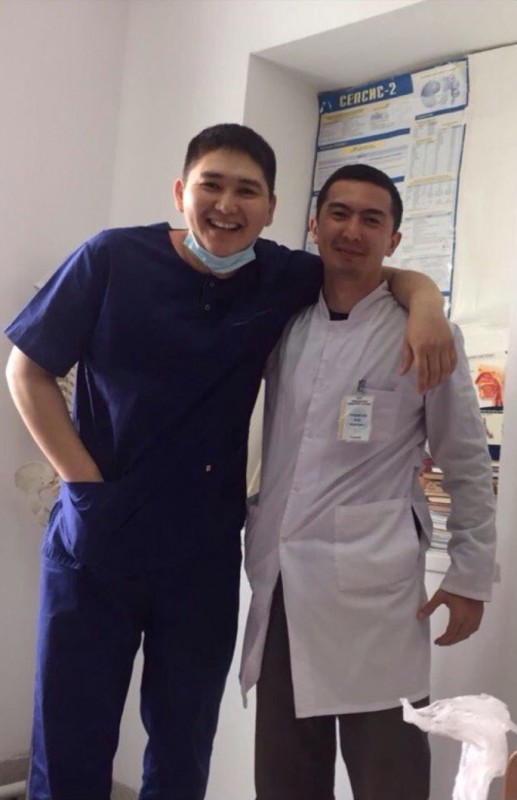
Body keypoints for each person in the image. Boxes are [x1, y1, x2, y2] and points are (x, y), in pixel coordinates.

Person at [5, 125, 454, 800]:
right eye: (210, 185)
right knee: (71, 737)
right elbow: (27, 370)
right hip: (97, 537)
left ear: (271, 209)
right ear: (180, 191)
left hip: (201, 552)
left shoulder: (280, 276)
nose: (226, 204)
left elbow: (370, 267)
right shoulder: (111, 258)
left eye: (247, 190)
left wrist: (426, 304)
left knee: (183, 743)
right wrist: (83, 486)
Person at [239, 163, 497, 800]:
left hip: (375, 596)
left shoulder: (425, 333)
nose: (352, 230)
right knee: (286, 779)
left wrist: (468, 576)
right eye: (339, 213)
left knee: (390, 779)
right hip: (283, 584)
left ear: (393, 239)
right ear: (314, 225)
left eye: (371, 219)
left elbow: (466, 461)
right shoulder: (286, 326)